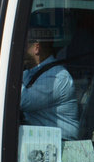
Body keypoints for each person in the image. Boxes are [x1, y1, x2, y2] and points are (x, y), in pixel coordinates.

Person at [20, 11, 80, 140]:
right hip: (41, 139)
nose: (20, 49)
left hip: (61, 144)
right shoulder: (30, 73)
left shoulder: (56, 77)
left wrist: (11, 65)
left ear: (36, 48)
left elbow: (22, 101)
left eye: (22, 45)